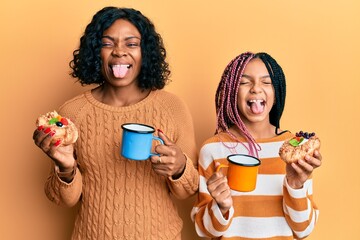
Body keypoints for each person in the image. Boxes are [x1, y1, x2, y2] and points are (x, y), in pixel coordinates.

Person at [32, 6, 198, 240]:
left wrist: (180, 167)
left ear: (145, 52)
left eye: (131, 44)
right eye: (108, 43)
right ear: (95, 51)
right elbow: (63, 199)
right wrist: (66, 168)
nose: (119, 52)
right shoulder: (73, 113)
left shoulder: (172, 108)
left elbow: (189, 191)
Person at [191, 52, 322, 239]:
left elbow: (303, 230)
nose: (256, 89)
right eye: (244, 82)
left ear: (276, 92)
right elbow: (203, 232)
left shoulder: (293, 150)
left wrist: (295, 184)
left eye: (266, 82)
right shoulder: (213, 149)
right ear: (232, 93)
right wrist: (221, 206)